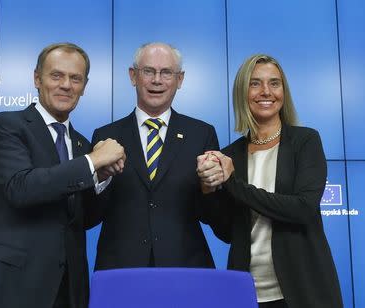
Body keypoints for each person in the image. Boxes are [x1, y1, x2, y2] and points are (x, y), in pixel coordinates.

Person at [0, 42, 125, 308]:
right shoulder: (5, 126)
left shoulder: (81, 145)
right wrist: (93, 161)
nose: (66, 85)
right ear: (37, 79)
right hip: (9, 286)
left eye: (75, 78)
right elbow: (21, 188)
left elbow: (81, 219)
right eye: (56, 75)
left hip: (67, 289)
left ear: (84, 86)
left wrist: (102, 176)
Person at [197, 54, 343, 308]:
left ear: (283, 91)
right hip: (247, 292)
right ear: (242, 92)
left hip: (304, 289)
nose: (266, 91)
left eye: (274, 83)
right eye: (255, 83)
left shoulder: (305, 141)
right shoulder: (231, 155)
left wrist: (233, 183)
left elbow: (303, 208)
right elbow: (228, 233)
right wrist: (209, 191)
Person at [87, 42, 222, 270]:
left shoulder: (201, 134)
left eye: (166, 72)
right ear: (133, 76)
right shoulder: (106, 136)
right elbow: (90, 214)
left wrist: (211, 186)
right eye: (148, 71)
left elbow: (214, 216)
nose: (156, 80)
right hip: (122, 269)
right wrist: (99, 177)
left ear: (180, 80)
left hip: (185, 267)